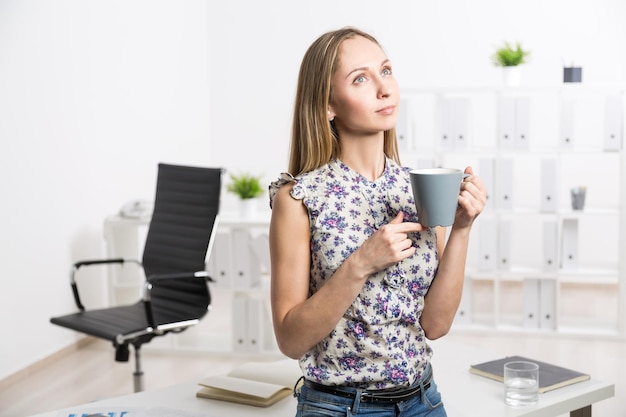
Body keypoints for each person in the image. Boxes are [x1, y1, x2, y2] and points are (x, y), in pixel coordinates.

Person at [268, 26, 487, 417]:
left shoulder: (419, 187)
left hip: (423, 401)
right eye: (361, 78)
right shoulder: (298, 198)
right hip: (338, 408)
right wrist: (361, 264)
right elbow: (290, 339)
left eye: (386, 71)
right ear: (327, 105)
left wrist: (462, 229)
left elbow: (435, 325)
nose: (384, 89)